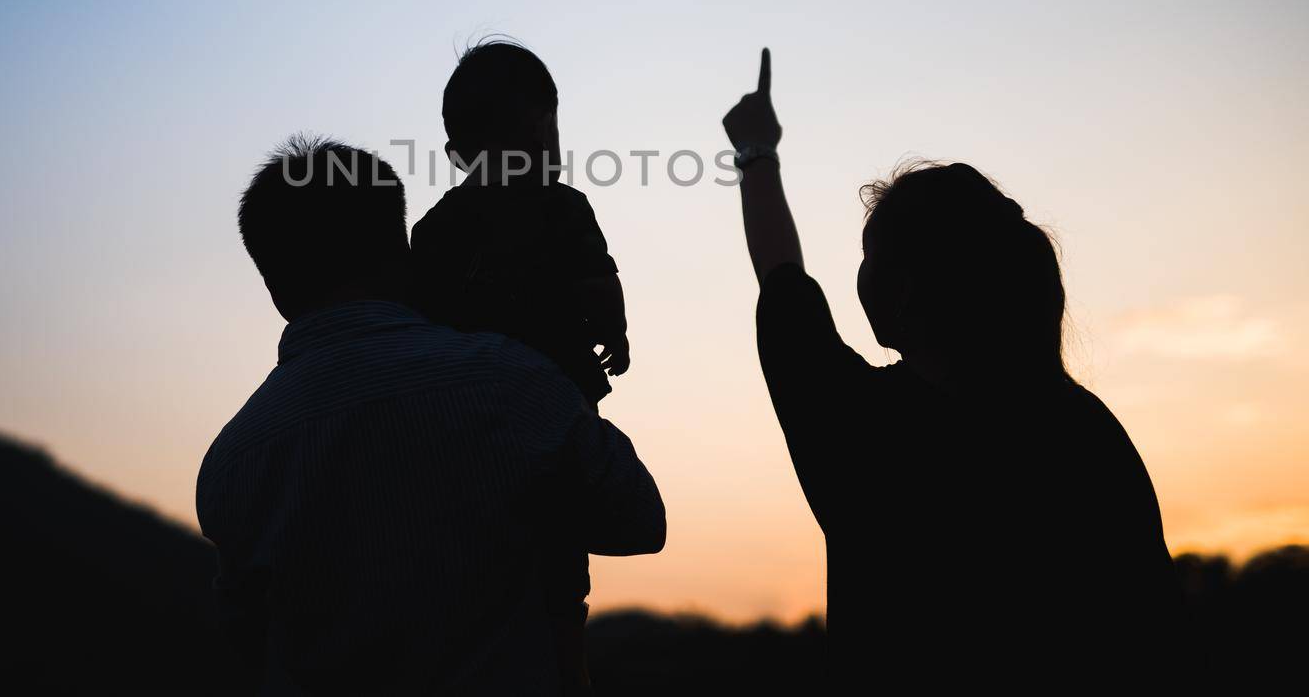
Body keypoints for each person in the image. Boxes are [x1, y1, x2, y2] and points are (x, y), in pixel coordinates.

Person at [722, 48, 1183, 686]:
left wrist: (755, 153)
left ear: (906, 290)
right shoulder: (1088, 433)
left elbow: (782, 277)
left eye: (869, 257)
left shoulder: (866, 429)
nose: (857, 277)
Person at [197, 135, 665, 695]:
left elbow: (246, 646)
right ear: (403, 251)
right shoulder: (507, 380)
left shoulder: (231, 463)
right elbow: (639, 519)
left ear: (273, 284)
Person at [410, 40, 630, 690]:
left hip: (493, 437)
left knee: (548, 592)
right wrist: (610, 327)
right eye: (541, 133)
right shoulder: (459, 230)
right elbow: (599, 281)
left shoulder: (446, 230)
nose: (547, 151)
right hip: (514, 431)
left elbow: (599, 280)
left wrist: (613, 329)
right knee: (550, 595)